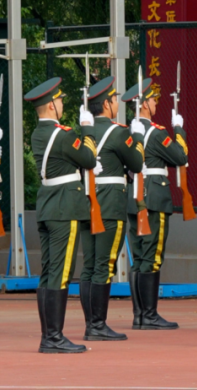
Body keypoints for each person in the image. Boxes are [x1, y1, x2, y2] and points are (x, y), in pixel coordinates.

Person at [25, 77, 95, 353]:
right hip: (64, 208)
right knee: (61, 273)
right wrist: (87, 130)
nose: (63, 103)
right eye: (61, 99)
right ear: (52, 105)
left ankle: (49, 336)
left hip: (47, 206)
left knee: (48, 273)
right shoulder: (64, 134)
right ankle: (53, 337)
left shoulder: (37, 134)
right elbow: (88, 159)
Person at [122, 78, 187, 330]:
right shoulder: (157, 133)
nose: (156, 102)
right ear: (144, 105)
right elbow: (180, 157)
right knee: (152, 256)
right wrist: (178, 130)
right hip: (154, 199)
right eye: (152, 99)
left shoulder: (128, 133)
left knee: (138, 257)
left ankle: (139, 314)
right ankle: (148, 315)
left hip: (134, 198)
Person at [80, 76, 141, 342]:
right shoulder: (118, 132)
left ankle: (91, 324)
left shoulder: (82, 131)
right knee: (104, 266)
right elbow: (137, 163)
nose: (117, 103)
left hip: (87, 201)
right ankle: (98, 325)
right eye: (115, 99)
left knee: (89, 265)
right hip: (110, 204)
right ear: (106, 104)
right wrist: (137, 136)